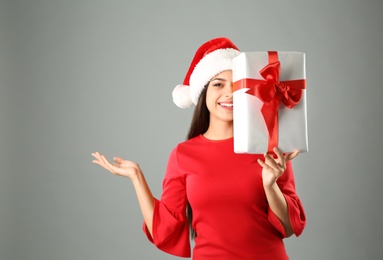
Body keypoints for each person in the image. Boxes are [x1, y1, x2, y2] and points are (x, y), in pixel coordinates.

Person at [92, 37, 306, 259]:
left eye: (236, 86)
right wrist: (136, 177)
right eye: (218, 84)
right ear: (203, 93)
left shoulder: (269, 148)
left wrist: (270, 185)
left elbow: (290, 228)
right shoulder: (183, 155)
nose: (228, 94)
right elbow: (164, 229)